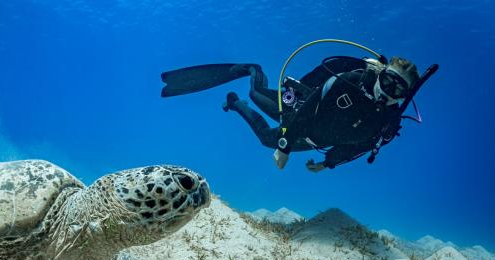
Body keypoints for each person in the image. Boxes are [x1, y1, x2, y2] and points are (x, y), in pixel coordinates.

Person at [161, 56, 423, 172]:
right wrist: (285, 146)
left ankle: (234, 102)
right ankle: (253, 71)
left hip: (313, 141)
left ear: (404, 96)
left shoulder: (388, 123)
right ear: (381, 75)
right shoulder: (350, 81)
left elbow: (359, 148)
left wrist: (327, 163)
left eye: (398, 90)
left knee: (265, 138)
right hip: (297, 108)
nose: (388, 92)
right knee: (257, 94)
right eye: (388, 82)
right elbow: (310, 107)